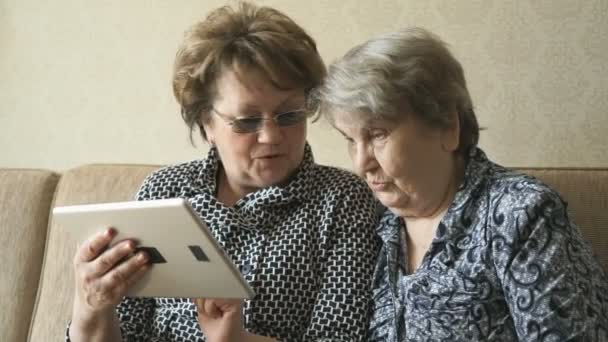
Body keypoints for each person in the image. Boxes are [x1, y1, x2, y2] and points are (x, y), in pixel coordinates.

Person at [66, 2, 380, 341]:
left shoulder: (343, 201)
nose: (271, 136)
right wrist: (90, 308)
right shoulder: (164, 191)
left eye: (290, 115)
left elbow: (340, 337)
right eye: (246, 121)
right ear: (206, 124)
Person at [310, 27, 608, 341]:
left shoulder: (521, 214)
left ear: (447, 125)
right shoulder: (371, 222)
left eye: (378, 134)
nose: (360, 162)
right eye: (350, 139)